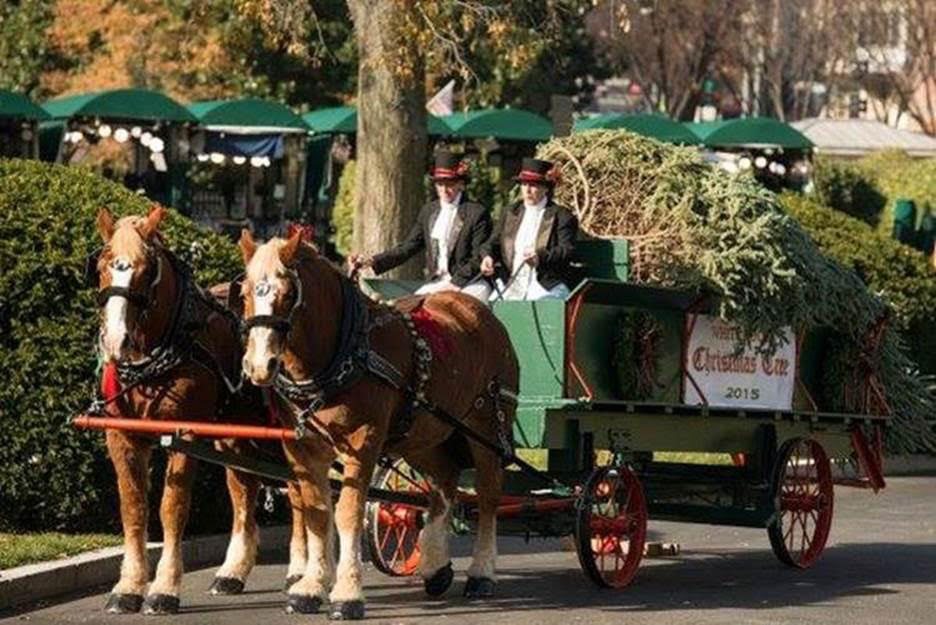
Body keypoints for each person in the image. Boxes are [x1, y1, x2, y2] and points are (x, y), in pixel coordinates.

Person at [349, 151, 492, 300]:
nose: (444, 189)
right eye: (439, 183)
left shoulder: (476, 213)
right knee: (412, 311)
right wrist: (372, 260)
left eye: (449, 183)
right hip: (438, 283)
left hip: (471, 283)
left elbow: (478, 257)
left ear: (460, 184)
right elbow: (408, 247)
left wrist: (456, 283)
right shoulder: (429, 211)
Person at [480, 157, 578, 301]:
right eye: (524, 184)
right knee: (490, 308)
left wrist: (540, 257)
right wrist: (487, 257)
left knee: (544, 305)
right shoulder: (510, 212)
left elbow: (567, 250)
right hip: (511, 282)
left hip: (545, 283)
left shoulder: (561, 215)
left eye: (534, 185)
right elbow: (492, 243)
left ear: (545, 188)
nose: (528, 190)